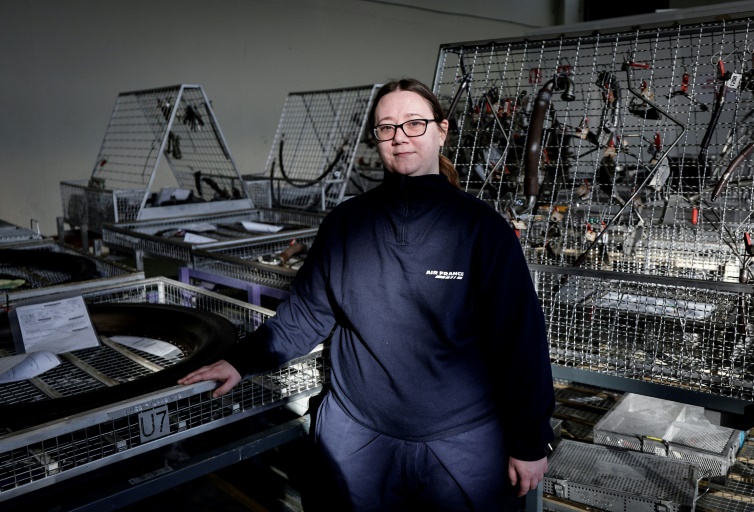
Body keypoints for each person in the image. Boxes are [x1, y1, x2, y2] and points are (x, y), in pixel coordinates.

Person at [179, 78, 555, 511]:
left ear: (442, 130)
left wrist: (529, 440)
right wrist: (241, 361)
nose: (400, 137)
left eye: (415, 123)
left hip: (461, 440)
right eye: (386, 127)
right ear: (376, 138)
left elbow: (519, 340)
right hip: (359, 435)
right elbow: (305, 314)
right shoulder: (346, 225)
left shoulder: (482, 230)